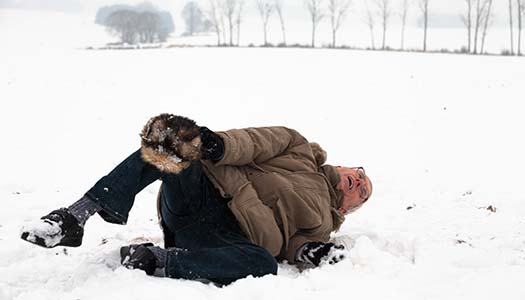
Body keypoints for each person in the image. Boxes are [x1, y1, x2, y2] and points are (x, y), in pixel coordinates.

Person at [20, 114, 373, 285]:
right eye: (359, 173)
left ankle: (157, 260)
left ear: (348, 207)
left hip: (225, 238)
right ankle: (74, 217)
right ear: (342, 164)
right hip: (204, 188)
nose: (357, 181)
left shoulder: (324, 225)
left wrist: (307, 251)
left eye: (362, 191)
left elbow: (294, 247)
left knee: (263, 263)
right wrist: (218, 144)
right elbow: (256, 141)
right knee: (176, 144)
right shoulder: (298, 148)